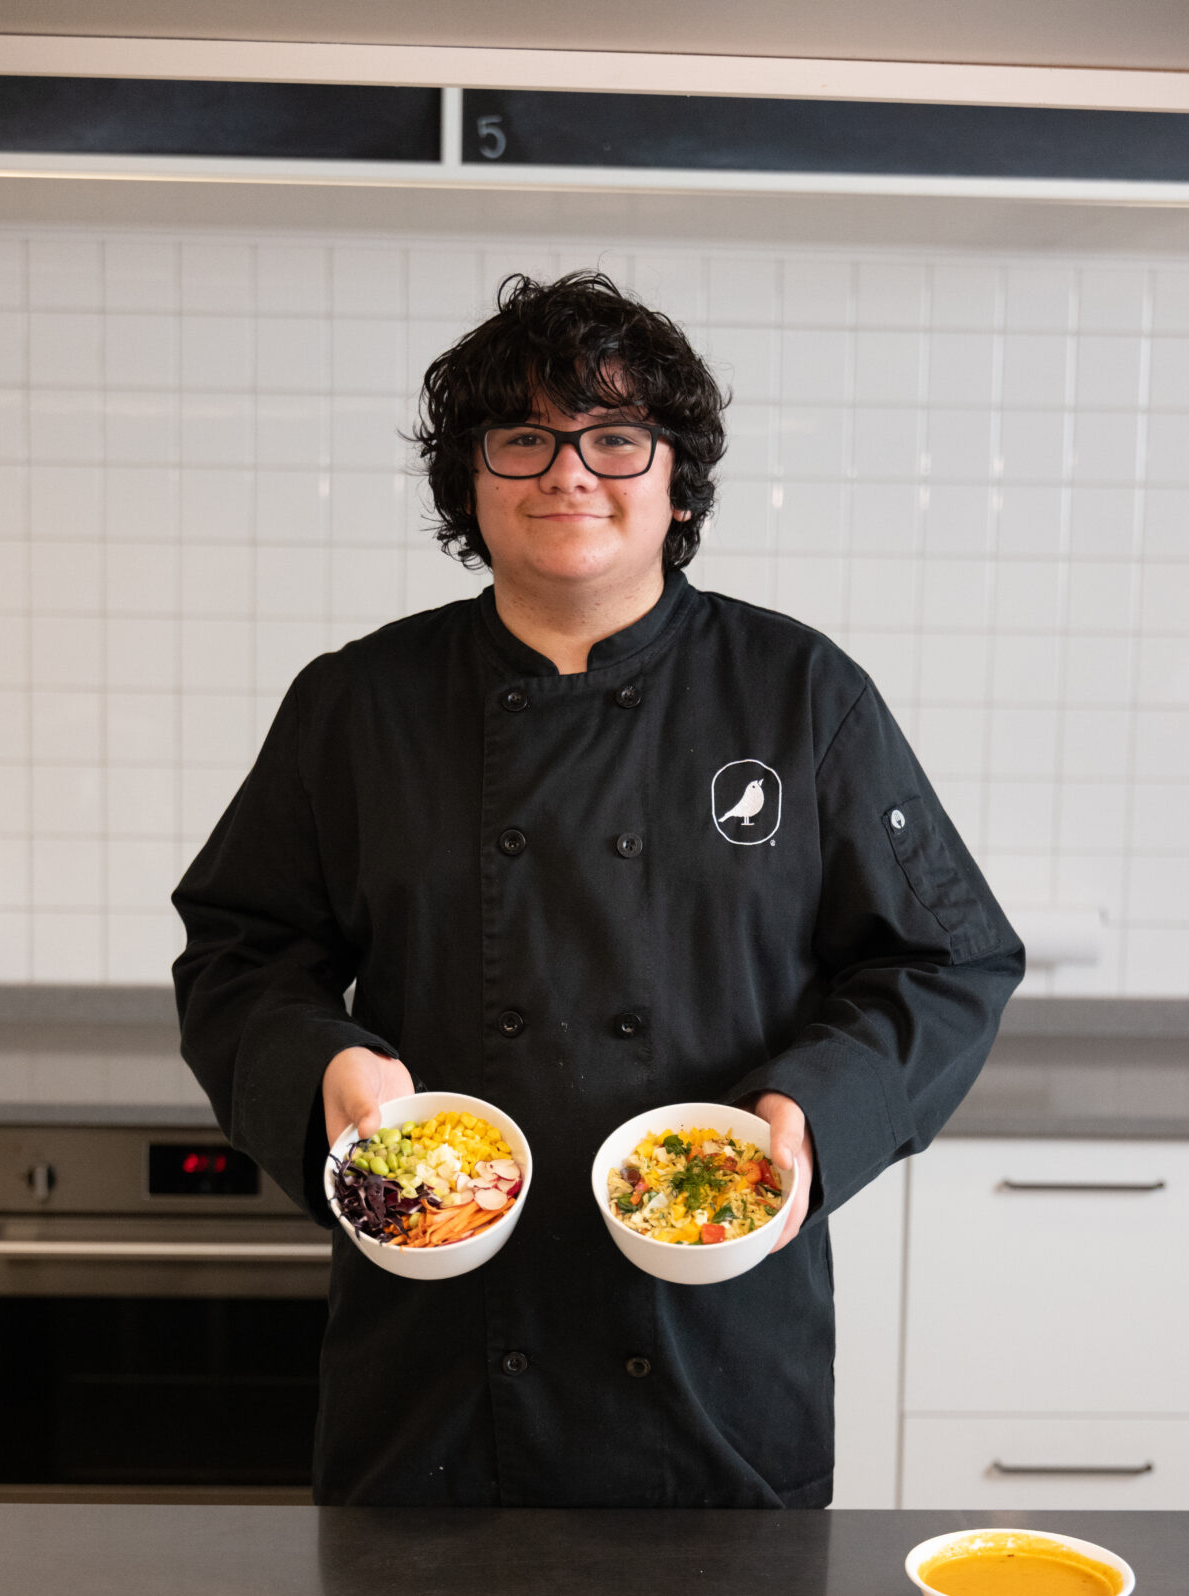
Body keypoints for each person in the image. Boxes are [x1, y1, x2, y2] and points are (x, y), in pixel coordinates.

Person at [173, 270, 1024, 1508]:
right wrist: (324, 1068)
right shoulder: (359, 703)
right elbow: (240, 955)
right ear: (470, 480)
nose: (568, 471)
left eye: (614, 435)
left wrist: (812, 1111)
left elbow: (947, 963)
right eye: (522, 437)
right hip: (438, 1347)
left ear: (676, 477)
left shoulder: (800, 694)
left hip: (712, 1340)